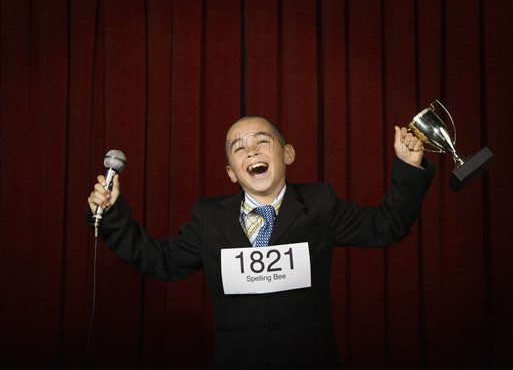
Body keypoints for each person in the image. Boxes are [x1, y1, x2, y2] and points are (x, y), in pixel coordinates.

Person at [87, 115, 435, 369]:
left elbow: (387, 225)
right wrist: (114, 214)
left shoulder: (320, 204)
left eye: (262, 141)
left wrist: (408, 168)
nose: (251, 149)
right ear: (231, 172)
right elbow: (159, 260)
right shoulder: (209, 218)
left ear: (288, 154)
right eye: (238, 148)